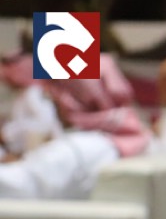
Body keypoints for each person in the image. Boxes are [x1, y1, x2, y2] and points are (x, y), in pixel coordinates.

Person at [0, 54, 150, 199]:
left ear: (71, 98)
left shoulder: (75, 150)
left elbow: (18, 187)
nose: (50, 98)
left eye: (55, 91)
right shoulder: (137, 140)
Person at [0, 52, 63, 158]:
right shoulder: (22, 94)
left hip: (47, 154)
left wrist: (8, 132)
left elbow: (44, 121)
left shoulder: (33, 93)